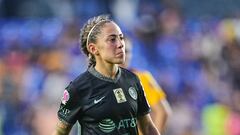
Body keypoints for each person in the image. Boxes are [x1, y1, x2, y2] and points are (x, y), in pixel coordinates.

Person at [52, 15, 160, 135]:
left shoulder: (133, 80)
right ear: (93, 49)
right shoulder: (78, 88)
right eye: (112, 39)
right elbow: (61, 131)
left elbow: (148, 127)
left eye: (121, 38)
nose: (121, 44)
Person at [121, 37, 171, 134]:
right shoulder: (100, 81)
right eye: (120, 49)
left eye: (127, 51)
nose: (123, 55)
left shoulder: (141, 78)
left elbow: (163, 111)